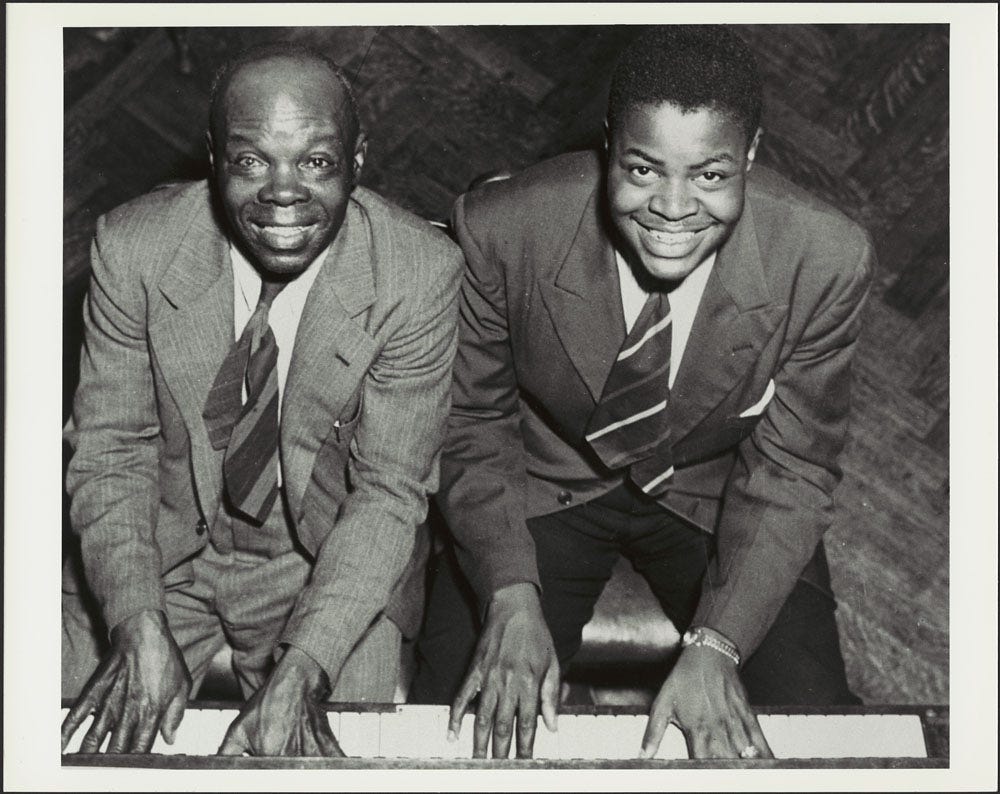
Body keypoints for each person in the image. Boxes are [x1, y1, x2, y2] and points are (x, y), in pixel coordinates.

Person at [410, 25, 872, 760]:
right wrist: (508, 592)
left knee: (818, 737)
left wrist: (717, 643)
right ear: (607, 144)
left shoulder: (823, 260)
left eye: (712, 176)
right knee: (453, 732)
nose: (673, 207)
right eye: (644, 169)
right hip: (543, 482)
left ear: (750, 155)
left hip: (715, 496)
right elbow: (471, 418)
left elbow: (793, 468)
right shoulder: (503, 227)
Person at [61, 42, 462, 757]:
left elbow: (389, 491)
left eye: (315, 161)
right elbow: (110, 450)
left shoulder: (417, 275)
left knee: (345, 750)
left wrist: (308, 662)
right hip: (160, 541)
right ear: (213, 158)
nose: (284, 193)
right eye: (251, 161)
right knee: (64, 738)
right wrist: (134, 615)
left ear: (358, 158)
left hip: (321, 556)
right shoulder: (134, 249)